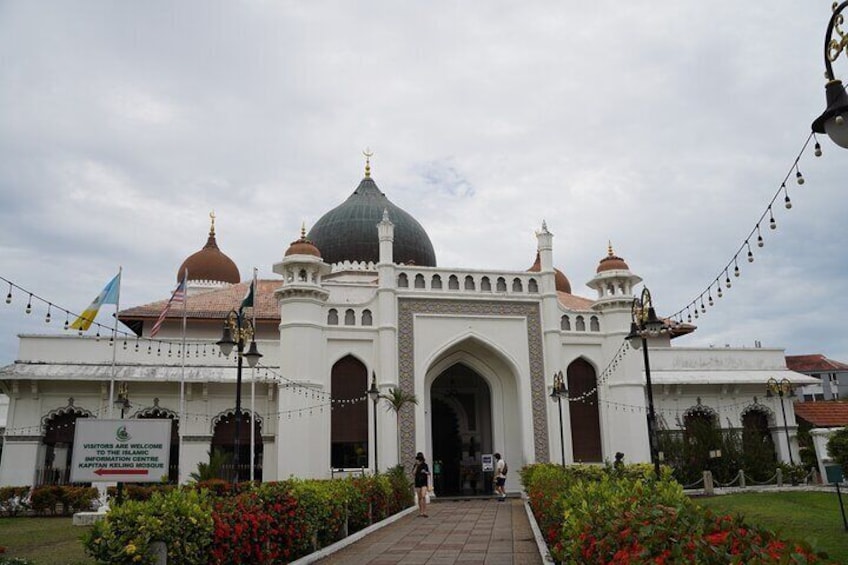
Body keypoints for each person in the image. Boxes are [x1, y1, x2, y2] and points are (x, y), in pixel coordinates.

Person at [413, 452, 431, 517]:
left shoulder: (425, 465)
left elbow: (429, 473)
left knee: (423, 496)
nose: (418, 460)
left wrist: (425, 472)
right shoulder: (415, 465)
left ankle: (425, 511)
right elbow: (413, 473)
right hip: (417, 482)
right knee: (419, 497)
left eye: (419, 459)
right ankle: (421, 512)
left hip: (424, 482)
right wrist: (417, 466)